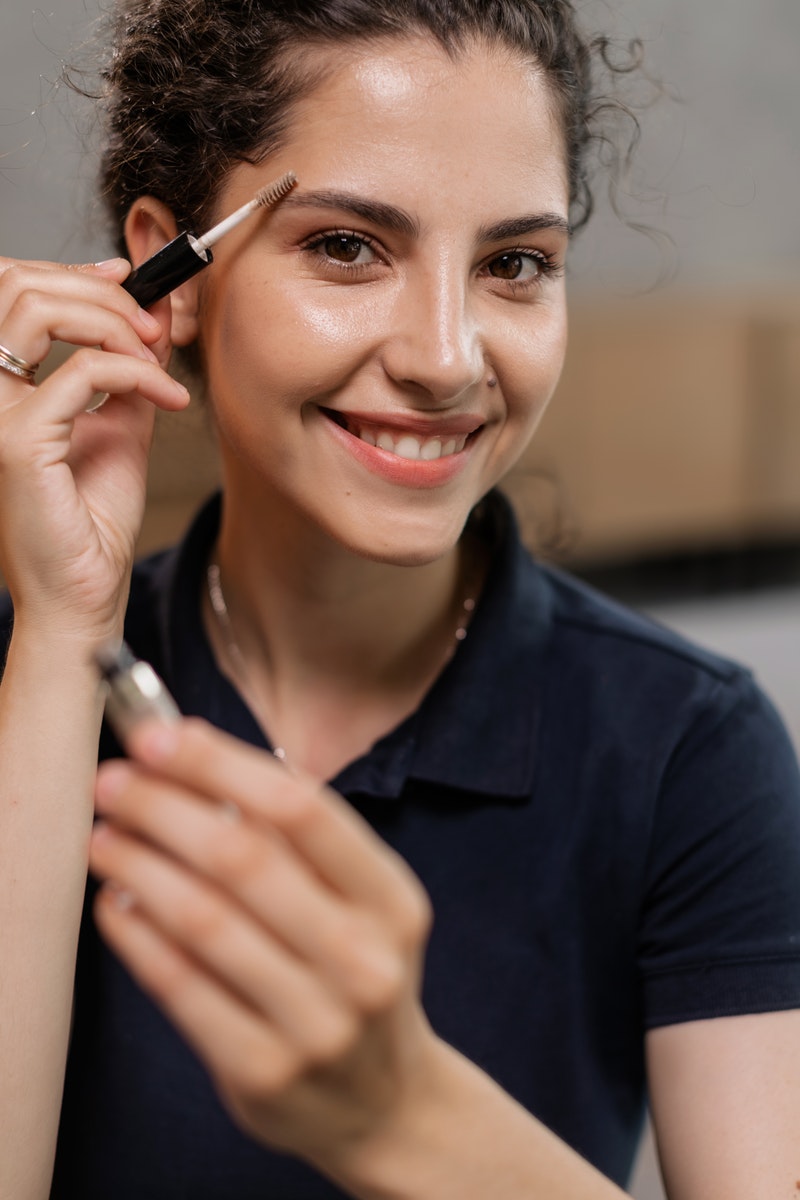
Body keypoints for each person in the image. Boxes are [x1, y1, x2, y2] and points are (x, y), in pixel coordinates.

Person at [1, 1, 799, 1196]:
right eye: (345, 247)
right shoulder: (26, 678)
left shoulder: (686, 750)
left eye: (512, 264)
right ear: (175, 276)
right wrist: (65, 636)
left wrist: (399, 1112)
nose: (443, 356)